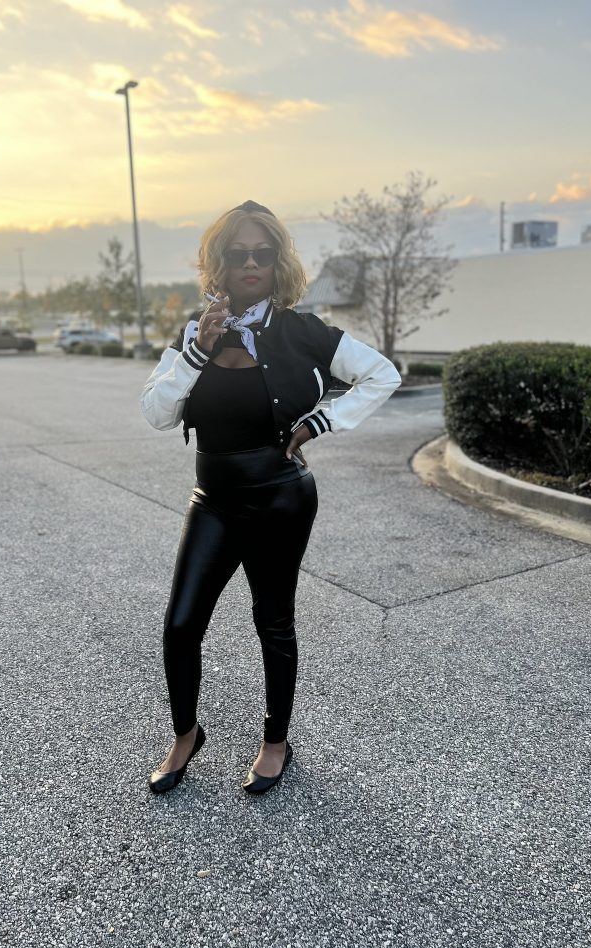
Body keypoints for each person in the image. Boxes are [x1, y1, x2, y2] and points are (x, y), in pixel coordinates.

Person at [140, 200, 401, 795]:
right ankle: (185, 734)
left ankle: (275, 741)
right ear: (220, 262)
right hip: (213, 497)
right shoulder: (195, 331)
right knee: (181, 625)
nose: (251, 263)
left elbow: (382, 374)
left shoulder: (301, 331)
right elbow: (156, 413)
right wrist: (196, 353)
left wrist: (322, 421)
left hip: (280, 497)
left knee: (273, 623)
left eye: (263, 253)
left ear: (277, 261)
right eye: (238, 254)